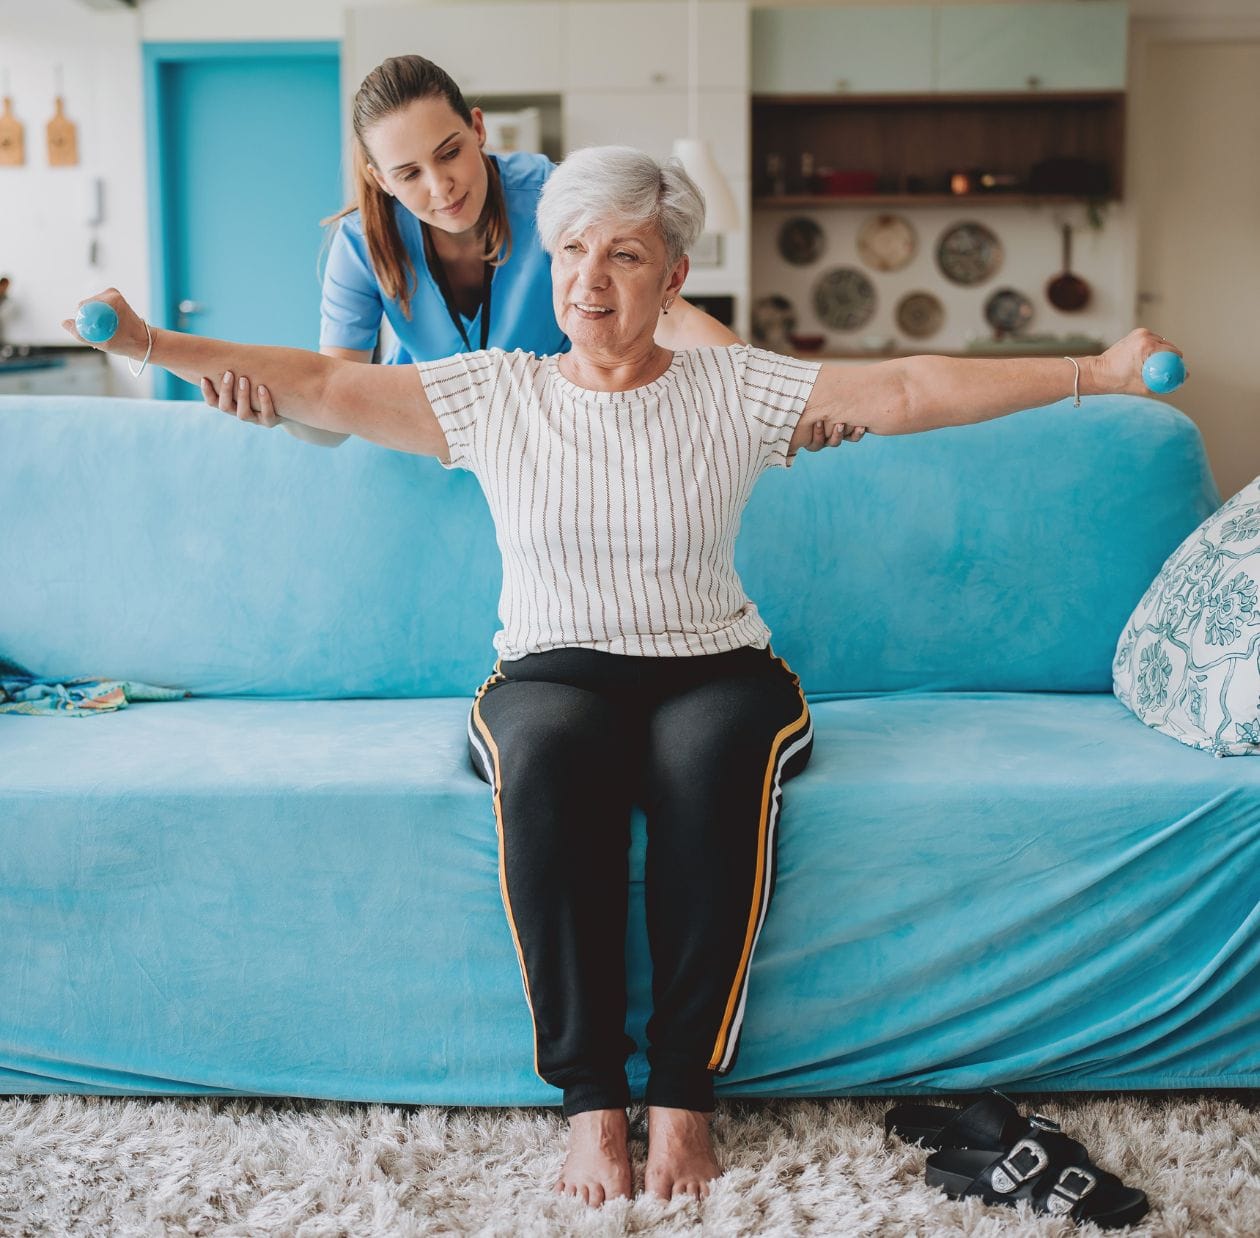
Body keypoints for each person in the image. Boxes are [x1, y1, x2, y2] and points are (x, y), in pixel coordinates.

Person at [65, 145, 1181, 1207]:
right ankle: (594, 1097)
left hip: (717, 665)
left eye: (624, 255)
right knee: (549, 750)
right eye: (570, 252)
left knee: (711, 754)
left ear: (674, 274)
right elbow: (319, 380)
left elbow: (909, 386)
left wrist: (1100, 371)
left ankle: (685, 1090)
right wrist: (155, 345)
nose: (590, 279)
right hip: (549, 669)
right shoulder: (491, 392)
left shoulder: (733, 389)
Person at [282, 54, 737, 447]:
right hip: (421, 438)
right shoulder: (362, 242)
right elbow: (335, 391)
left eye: (449, 153)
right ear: (381, 180)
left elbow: (665, 313)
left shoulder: (545, 191)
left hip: (553, 437)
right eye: (408, 174)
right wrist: (277, 407)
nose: (441, 188)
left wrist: (763, 388)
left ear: (477, 128)